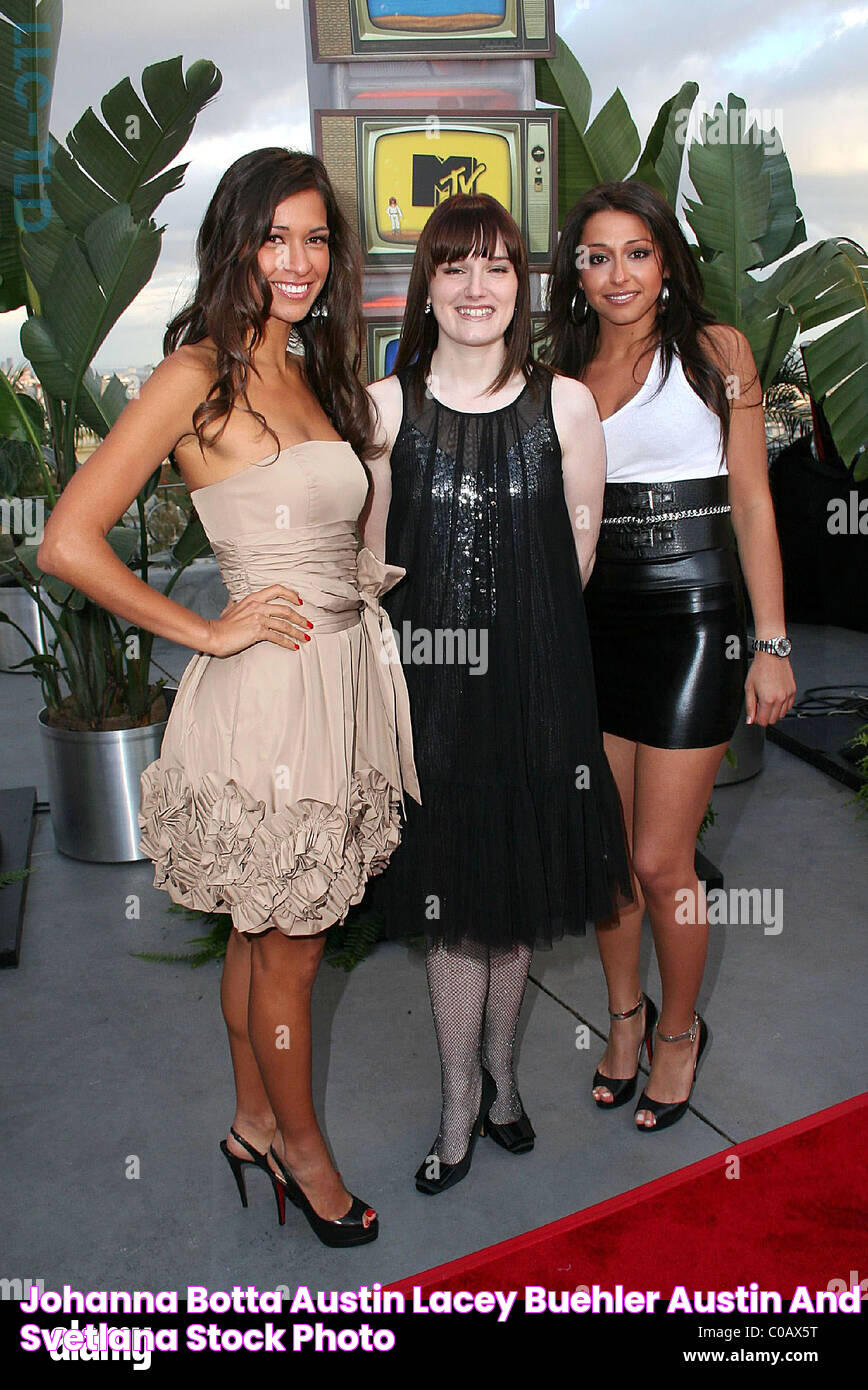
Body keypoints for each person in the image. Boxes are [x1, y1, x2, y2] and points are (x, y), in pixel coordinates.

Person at [36, 148, 420, 1244]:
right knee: (291, 943)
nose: (297, 262)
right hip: (267, 702)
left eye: (315, 239)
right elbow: (67, 538)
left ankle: (253, 1118)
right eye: (274, 237)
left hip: (334, 683)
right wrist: (207, 626)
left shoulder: (312, 365)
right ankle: (305, 1154)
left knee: (263, 934)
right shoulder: (193, 374)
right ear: (235, 243)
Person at [362, 192, 632, 1193]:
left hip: (534, 694)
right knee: (450, 912)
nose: (476, 287)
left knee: (512, 903)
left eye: (497, 266)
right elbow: (367, 569)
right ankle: (458, 1104)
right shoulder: (386, 409)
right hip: (431, 703)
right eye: (453, 266)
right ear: (425, 288)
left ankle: (507, 1074)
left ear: (521, 285)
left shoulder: (565, 405)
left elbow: (579, 555)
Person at [542, 180, 797, 1131]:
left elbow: (755, 503)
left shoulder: (713, 354)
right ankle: (624, 1018)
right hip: (589, 622)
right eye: (598, 255)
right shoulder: (557, 369)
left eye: (637, 253)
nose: (619, 274)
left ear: (666, 261)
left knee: (660, 861)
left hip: (694, 616)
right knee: (608, 858)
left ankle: (680, 1034)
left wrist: (768, 644)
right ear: (577, 270)